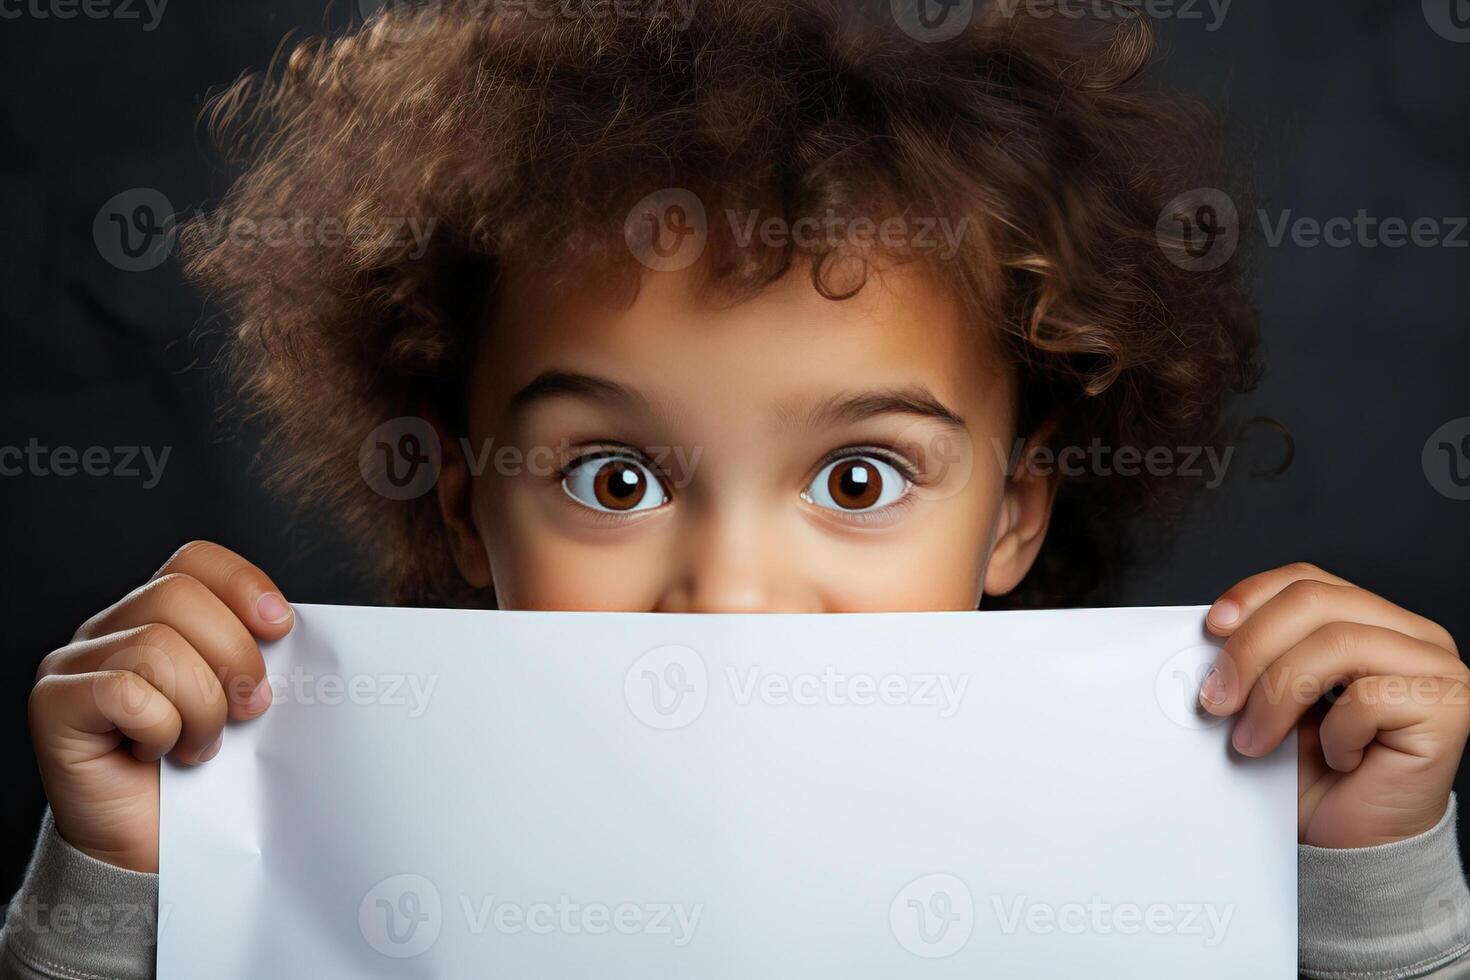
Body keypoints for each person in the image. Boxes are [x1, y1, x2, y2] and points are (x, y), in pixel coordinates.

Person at [6, 1, 1468, 976]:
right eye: (615, 473)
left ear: (1012, 516)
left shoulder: (1127, 864)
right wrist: (128, 888)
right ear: (466, 512)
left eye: (855, 473)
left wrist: (1363, 895)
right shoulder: (340, 857)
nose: (734, 594)